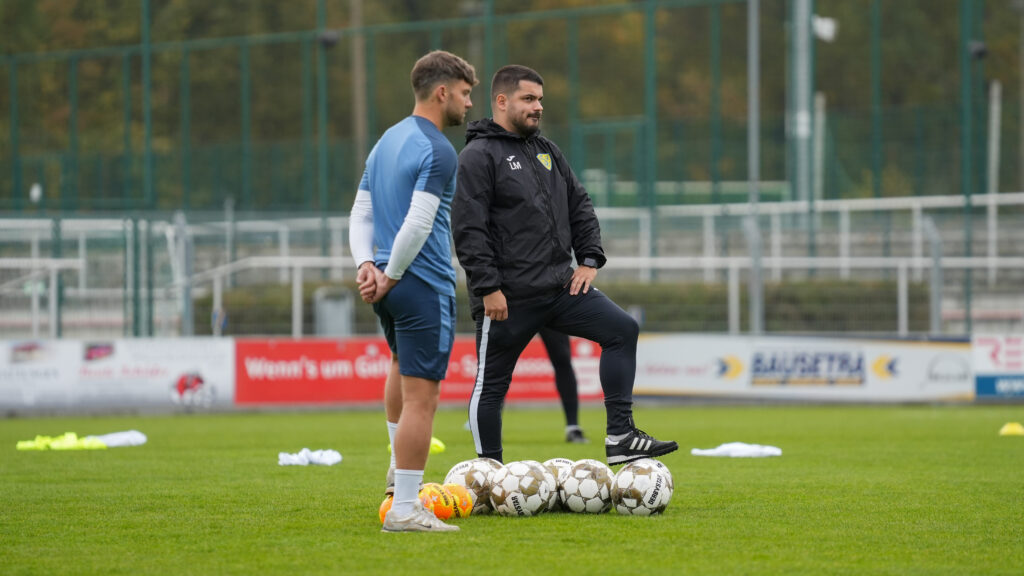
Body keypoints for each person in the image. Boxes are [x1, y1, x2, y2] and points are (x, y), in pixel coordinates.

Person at [452, 64, 677, 466]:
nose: (538, 107)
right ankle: (490, 471)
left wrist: (589, 258)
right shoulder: (477, 155)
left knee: (622, 329)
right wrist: (488, 287)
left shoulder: (547, 150)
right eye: (528, 99)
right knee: (491, 386)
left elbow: (579, 204)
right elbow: (469, 229)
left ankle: (621, 436)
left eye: (540, 99)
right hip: (509, 297)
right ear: (502, 102)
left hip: (560, 289)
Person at [348, 50, 477, 533]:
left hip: (386, 281)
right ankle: (404, 506)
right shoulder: (440, 149)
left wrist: (367, 266)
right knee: (423, 399)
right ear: (443, 92)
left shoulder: (387, 139)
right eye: (465, 94)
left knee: (400, 367)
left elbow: (360, 213)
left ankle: (393, 478)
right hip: (419, 284)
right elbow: (420, 222)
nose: (468, 105)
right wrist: (394, 273)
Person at [538, 327, 588, 444]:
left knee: (562, 358)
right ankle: (493, 429)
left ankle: (573, 427)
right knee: (502, 363)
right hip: (515, 310)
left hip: (546, 310)